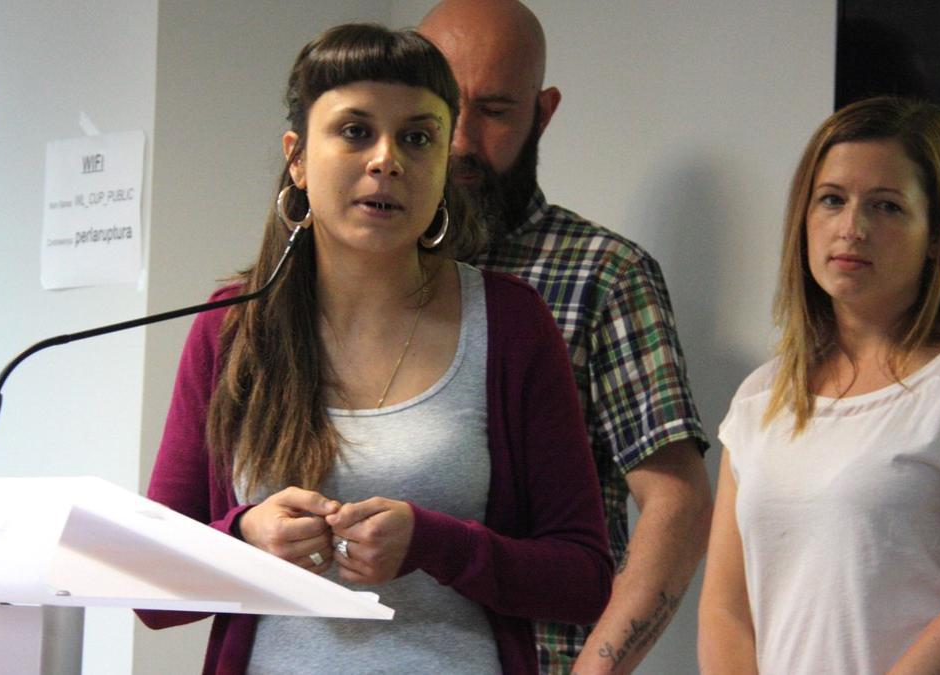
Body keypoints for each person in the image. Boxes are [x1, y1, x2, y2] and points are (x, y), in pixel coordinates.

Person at [137, 23, 613, 674]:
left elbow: (583, 578)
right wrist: (244, 536)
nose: (387, 159)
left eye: (418, 137)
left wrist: (436, 543)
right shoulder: (230, 325)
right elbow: (149, 591)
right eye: (356, 131)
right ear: (298, 157)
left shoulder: (510, 322)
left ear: (444, 163)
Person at [698, 96, 940, 673]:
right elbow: (726, 611)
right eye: (831, 200)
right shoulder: (760, 398)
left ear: (937, 233)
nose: (851, 228)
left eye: (886, 207)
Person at [418, 2, 711, 672]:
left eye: (493, 110)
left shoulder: (603, 274)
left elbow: (677, 502)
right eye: (440, 106)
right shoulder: (371, 272)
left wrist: (597, 668)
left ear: (542, 113)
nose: (461, 139)